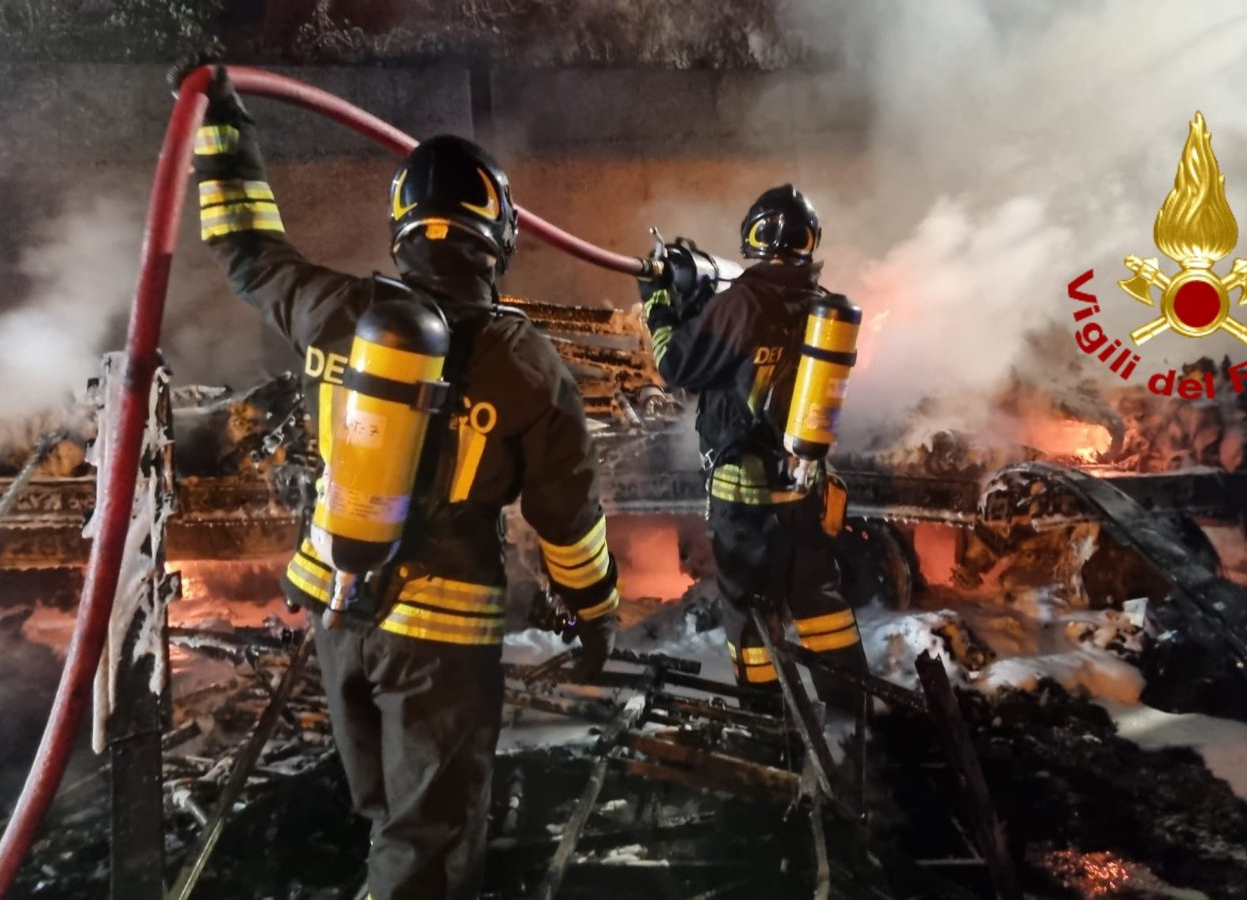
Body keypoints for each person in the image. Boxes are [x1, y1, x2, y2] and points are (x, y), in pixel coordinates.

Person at [184, 67, 619, 900]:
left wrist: (224, 139)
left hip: (338, 610)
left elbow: (245, 250)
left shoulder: (331, 309)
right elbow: (570, 521)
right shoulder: (529, 364)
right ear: (500, 233)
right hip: (441, 644)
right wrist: (595, 618)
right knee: (431, 844)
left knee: (387, 813)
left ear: (403, 227)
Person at [639, 185, 870, 715]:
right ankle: (853, 712)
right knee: (818, 602)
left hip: (744, 497)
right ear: (810, 242)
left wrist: (657, 306)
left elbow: (677, 366)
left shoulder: (743, 302)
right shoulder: (816, 303)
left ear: (754, 235)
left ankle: (769, 723)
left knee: (749, 612)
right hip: (803, 483)